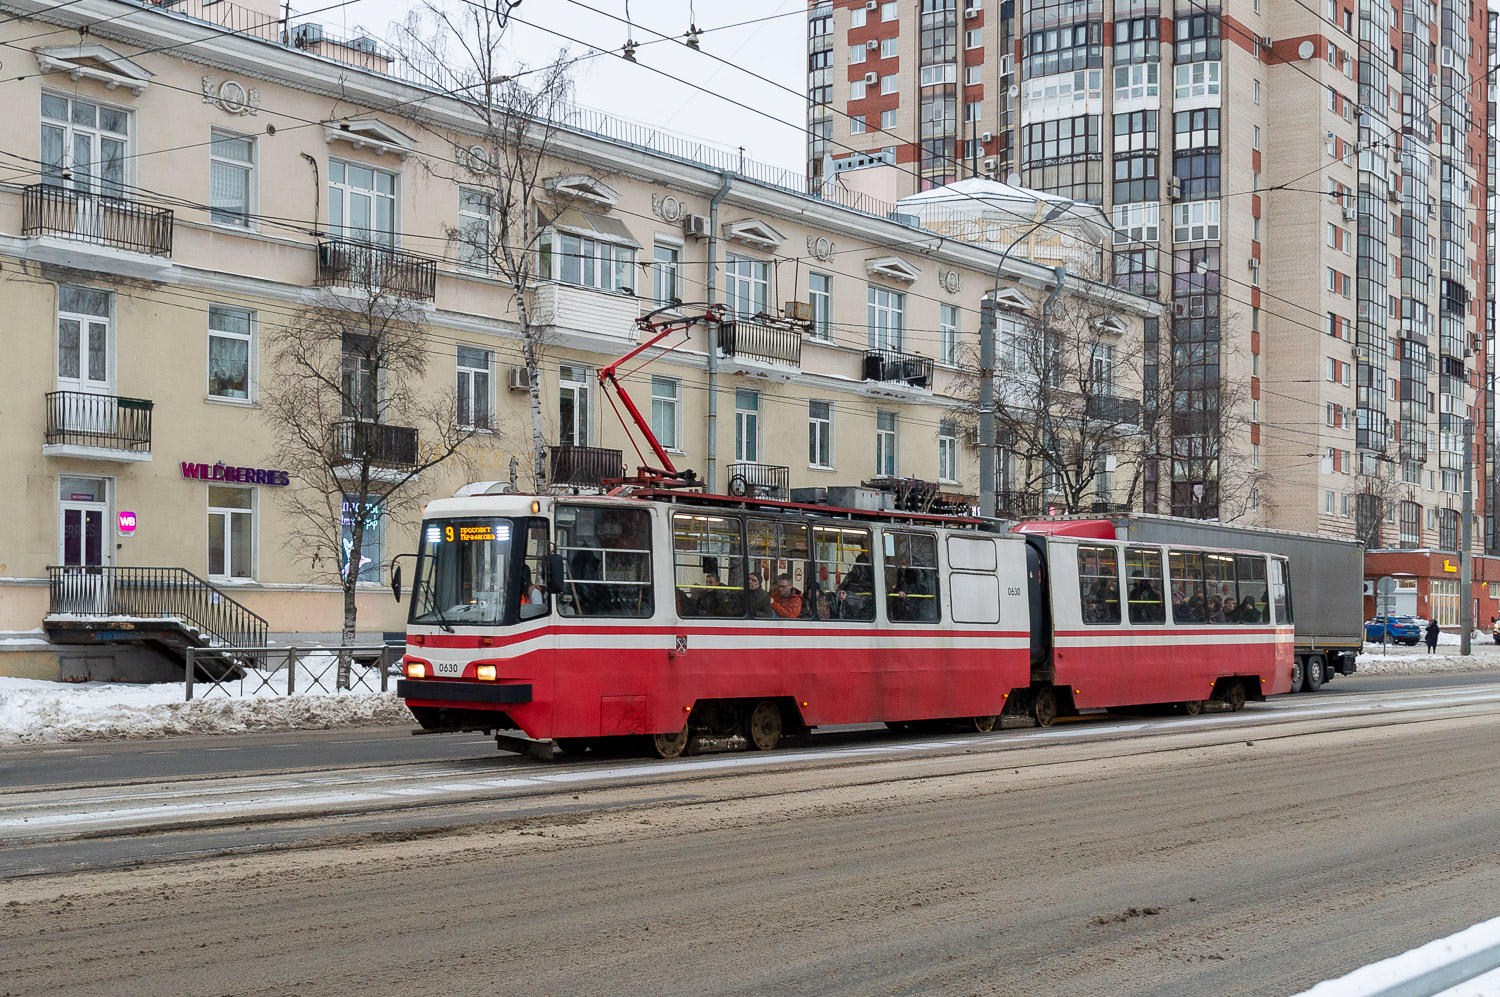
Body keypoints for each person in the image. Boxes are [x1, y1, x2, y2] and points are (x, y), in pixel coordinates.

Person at [837, 554, 875, 619]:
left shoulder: (873, 577)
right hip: (850, 607)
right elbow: (840, 589)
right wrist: (842, 593)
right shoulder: (851, 576)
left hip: (867, 607)